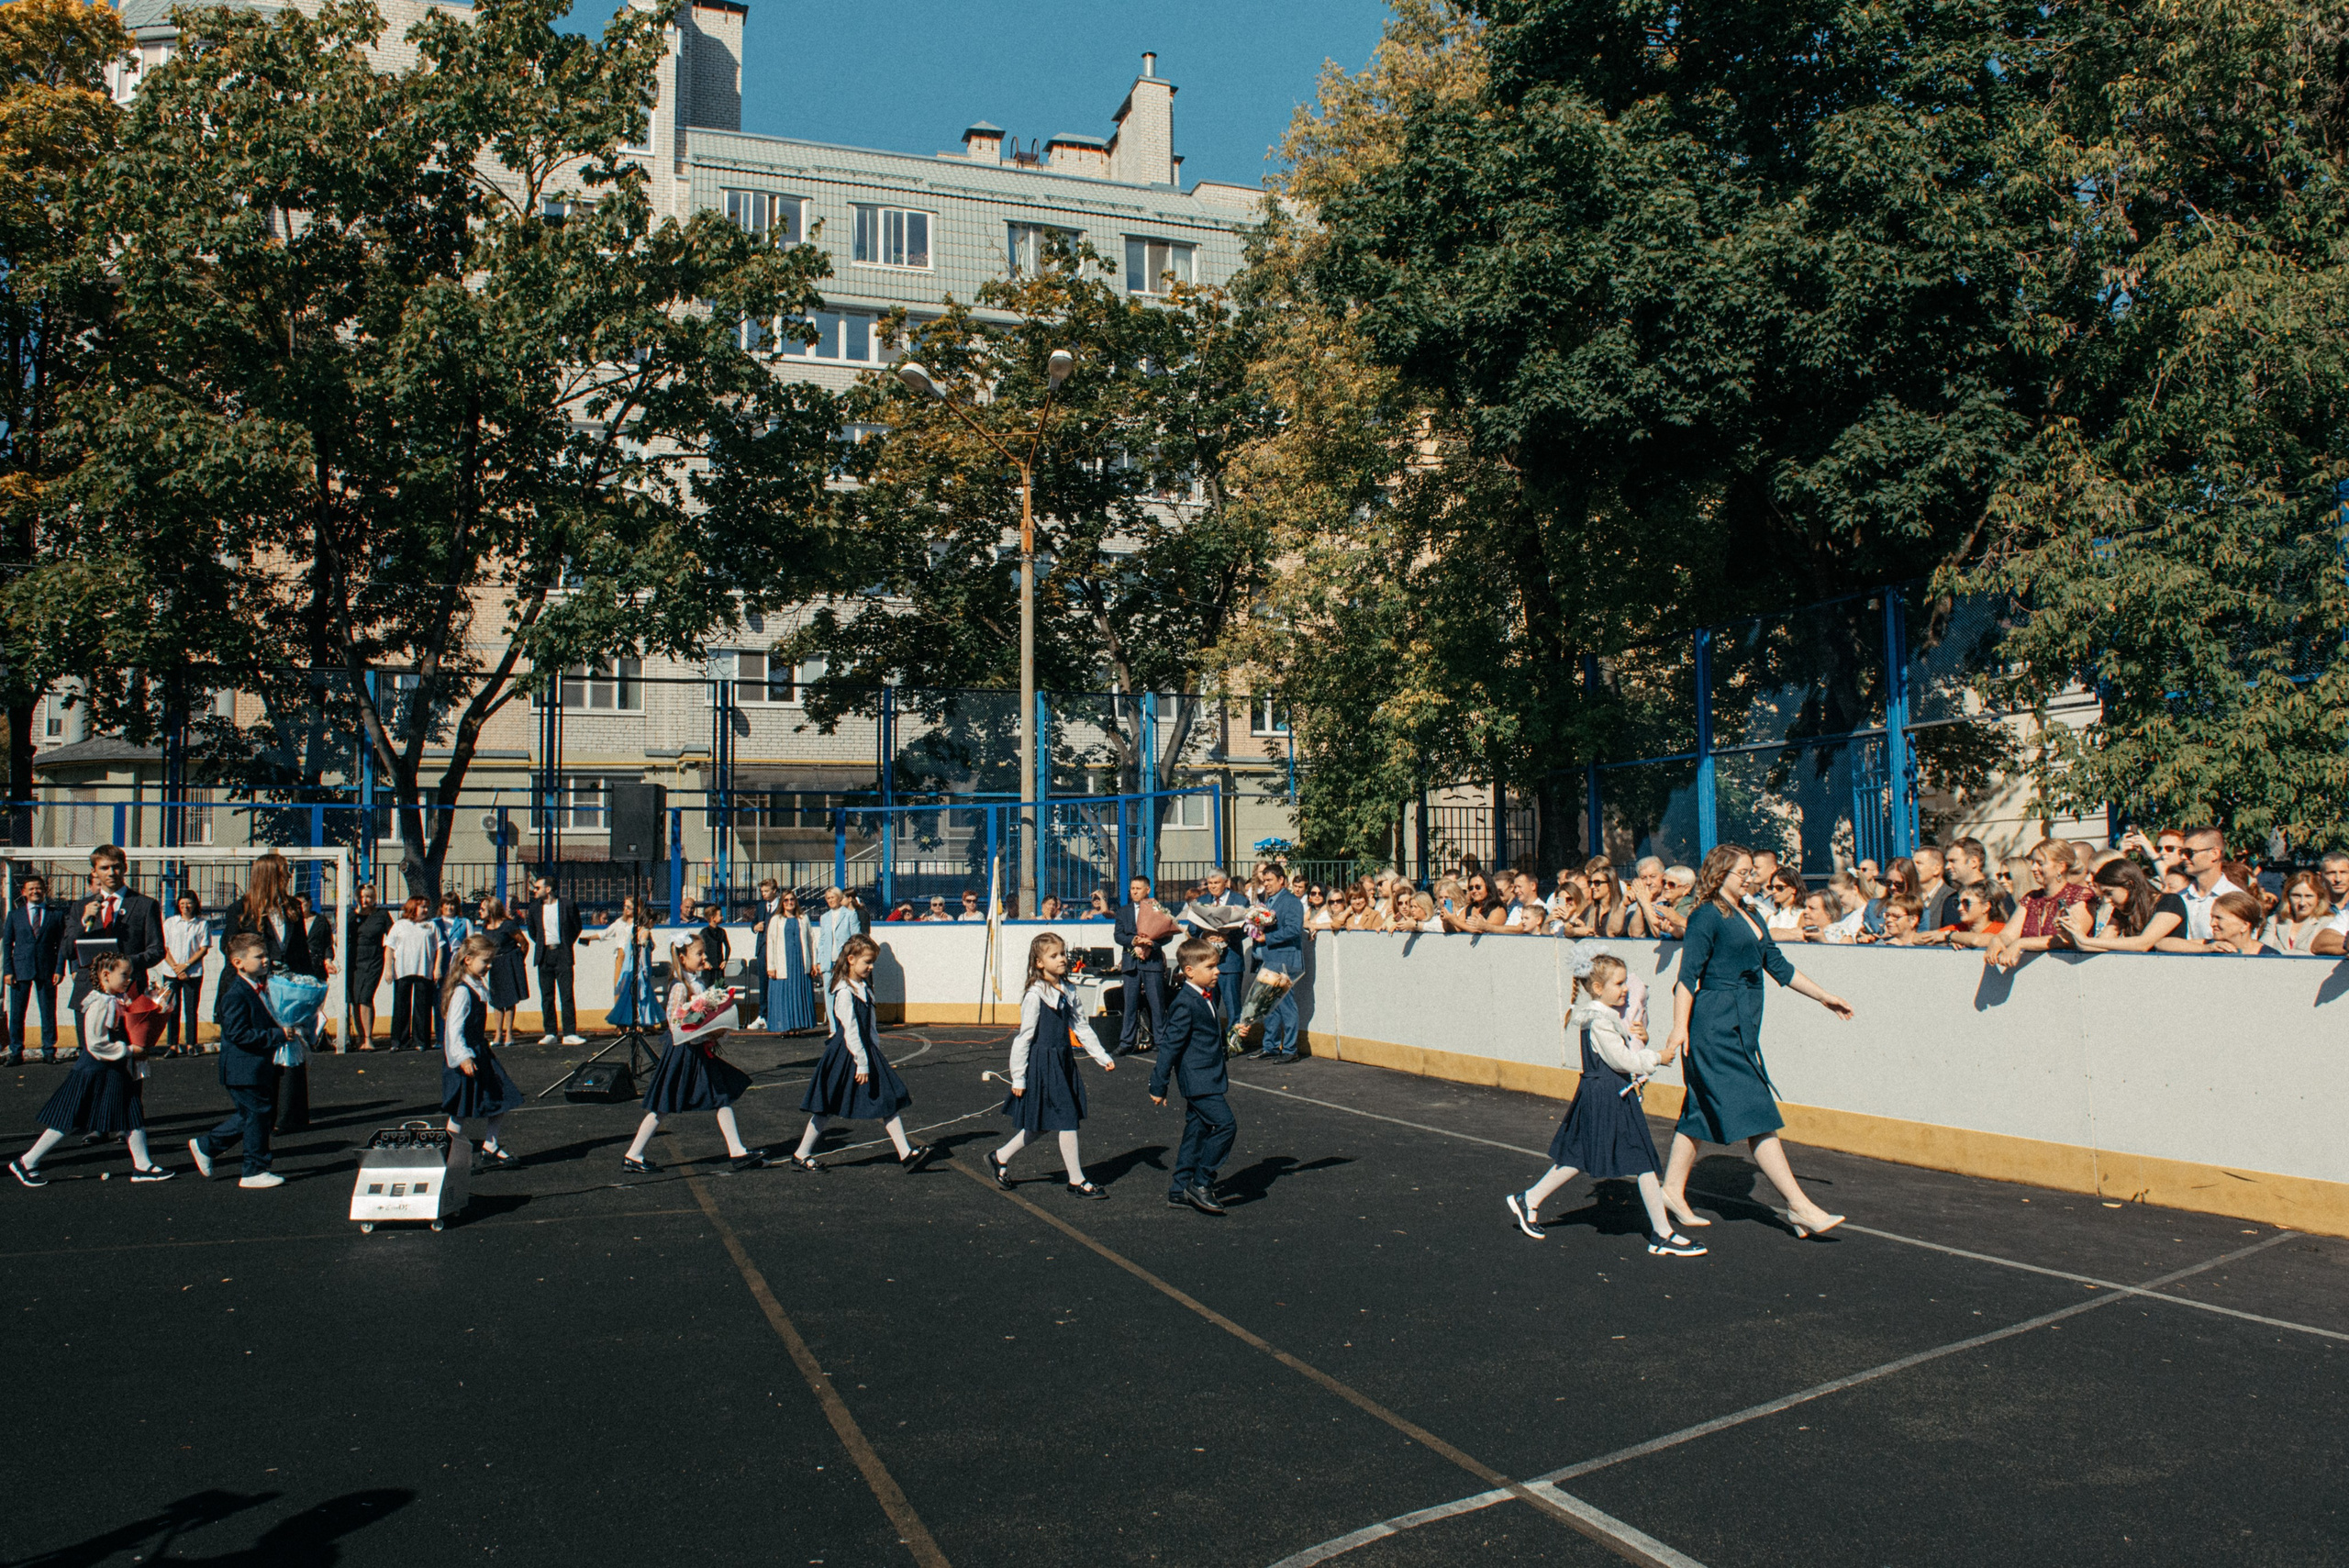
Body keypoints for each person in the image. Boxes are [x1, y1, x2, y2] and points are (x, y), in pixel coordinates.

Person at [1657, 843, 1856, 1240]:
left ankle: (1670, 1192)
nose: (1751, 878)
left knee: (1699, 1110)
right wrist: (1680, 1028)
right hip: (1713, 1027)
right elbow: (1686, 977)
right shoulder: (1705, 916)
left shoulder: (1752, 914)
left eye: (1752, 872)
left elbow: (1777, 965)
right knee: (1757, 1110)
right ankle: (1799, 1207)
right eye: (1743, 872)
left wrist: (1824, 996)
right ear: (1720, 875)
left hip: (1741, 1023)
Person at [1505, 949, 1704, 1257]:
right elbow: (1622, 1060)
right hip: (1611, 1097)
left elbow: (1620, 1054)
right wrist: (1657, 1058)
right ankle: (1662, 1234)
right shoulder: (1600, 1020)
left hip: (1600, 1095)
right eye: (1620, 984)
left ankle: (1528, 1199)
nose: (1626, 989)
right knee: (1643, 1160)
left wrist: (1642, 1039)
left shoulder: (1602, 1018)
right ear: (1598, 988)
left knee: (1580, 1153)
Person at [10, 953, 173, 1185]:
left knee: (130, 1111)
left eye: (130, 975)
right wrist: (129, 1050)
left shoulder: (116, 999)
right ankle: (27, 1161)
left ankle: (143, 1165)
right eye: (124, 975)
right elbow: (96, 1043)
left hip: (112, 1069)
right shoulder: (102, 1003)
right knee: (69, 1118)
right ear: (105, 976)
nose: (128, 979)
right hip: (95, 1070)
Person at [622, 931, 769, 1175]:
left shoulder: (698, 983)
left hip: (696, 1050)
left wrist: (714, 1030)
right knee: (663, 1104)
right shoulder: (680, 986)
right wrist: (703, 1032)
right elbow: (674, 1022)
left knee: (721, 1095)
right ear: (682, 957)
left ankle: (737, 1151)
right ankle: (633, 1154)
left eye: (704, 953)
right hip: (682, 1052)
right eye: (699, 954)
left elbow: (701, 1016)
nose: (704, 958)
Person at [985, 933, 1118, 1196]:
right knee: (1066, 1118)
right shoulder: (1035, 994)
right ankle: (1077, 1180)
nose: (1061, 959)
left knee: (1042, 1123)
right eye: (1054, 955)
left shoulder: (1068, 990)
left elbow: (1081, 1027)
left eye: (1062, 954)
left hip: (1063, 1061)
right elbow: (1024, 1038)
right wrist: (1019, 1078)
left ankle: (999, 1156)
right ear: (1039, 962)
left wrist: (1102, 1056)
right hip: (1043, 1063)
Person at [789, 934, 932, 1173]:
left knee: (886, 1098)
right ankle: (801, 1153)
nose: (871, 966)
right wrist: (863, 1062)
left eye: (872, 961)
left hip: (864, 1051)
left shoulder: (863, 988)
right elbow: (851, 1030)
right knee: (826, 1105)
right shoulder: (845, 992)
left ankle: (905, 1152)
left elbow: (870, 1025)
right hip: (847, 1054)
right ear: (851, 959)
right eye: (867, 961)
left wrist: (874, 1050)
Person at [186, 933, 287, 1188]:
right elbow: (238, 1034)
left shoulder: (259, 988)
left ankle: (206, 1146)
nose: (266, 960)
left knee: (251, 1115)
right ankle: (253, 1170)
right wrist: (279, 1035)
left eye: (266, 955)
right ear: (238, 962)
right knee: (257, 1114)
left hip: (255, 1066)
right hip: (243, 1067)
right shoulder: (236, 994)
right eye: (259, 956)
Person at [228, 855, 315, 1131]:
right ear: (268, 875)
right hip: (258, 989)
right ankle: (263, 1112)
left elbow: (300, 947)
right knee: (265, 1049)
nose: (289, 876)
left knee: (291, 1046)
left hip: (288, 989)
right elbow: (229, 948)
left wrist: (309, 987)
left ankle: (290, 1116)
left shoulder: (291, 907)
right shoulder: (241, 909)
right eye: (284, 872)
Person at [1151, 939, 1236, 1216]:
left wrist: (1235, 1037)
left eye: (1217, 966)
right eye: (1210, 967)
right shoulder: (1185, 1003)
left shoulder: (1206, 995)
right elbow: (1170, 1046)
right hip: (1198, 1080)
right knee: (1225, 1126)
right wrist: (1158, 1084)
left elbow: (1209, 1037)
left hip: (1209, 1076)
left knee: (1196, 1132)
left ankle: (1178, 1189)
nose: (1217, 972)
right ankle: (1201, 1183)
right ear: (1189, 971)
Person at [440, 933, 523, 1169]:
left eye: (490, 961)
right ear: (467, 960)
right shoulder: (463, 991)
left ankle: (491, 1146)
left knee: (501, 1095)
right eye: (485, 961)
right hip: (466, 1055)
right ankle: (450, 1158)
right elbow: (453, 1030)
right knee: (460, 1109)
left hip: (480, 1052)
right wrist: (463, 1057)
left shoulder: (475, 985)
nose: (489, 966)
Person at [71, 845, 167, 1017]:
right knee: (91, 1044)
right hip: (88, 992)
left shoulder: (144, 905)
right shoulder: (80, 907)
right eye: (104, 868)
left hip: (129, 992)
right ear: (94, 872)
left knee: (126, 1044)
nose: (111, 873)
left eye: (116, 867)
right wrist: (83, 922)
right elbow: (67, 950)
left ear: (125, 868)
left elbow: (157, 950)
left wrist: (124, 965)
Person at [1986, 839, 2099, 970]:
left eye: (2040, 863)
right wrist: (1997, 940)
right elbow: (2009, 934)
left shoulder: (2080, 895)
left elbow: (2067, 939)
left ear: (2060, 866)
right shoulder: (2031, 898)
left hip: (2070, 971)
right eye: (2033, 863)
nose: (2033, 868)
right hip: (2033, 973)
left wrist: (2021, 943)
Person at [4, 876, 67, 1065]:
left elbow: (62, 944)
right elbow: (7, 944)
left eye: (38, 888)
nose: (35, 892)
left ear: (44, 890)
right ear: (23, 892)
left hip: (47, 969)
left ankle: (49, 1051)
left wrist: (59, 969)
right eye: (31, 889)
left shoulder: (55, 915)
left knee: (48, 1011)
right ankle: (16, 1051)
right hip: (20, 969)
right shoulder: (15, 915)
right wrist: (8, 970)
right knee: (17, 1013)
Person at [1246, 862, 1307, 1061]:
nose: (1267, 884)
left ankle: (1290, 1049)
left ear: (1282, 880)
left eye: (1270, 880)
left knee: (1286, 1004)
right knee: (1269, 1004)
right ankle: (1270, 1045)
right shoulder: (1268, 900)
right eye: (1264, 881)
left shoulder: (1291, 902)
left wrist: (1267, 938)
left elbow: (1293, 929)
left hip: (1285, 960)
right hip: (1269, 959)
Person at [1182, 867, 1252, 1023]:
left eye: (1216, 883)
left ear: (1226, 883)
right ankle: (1213, 1040)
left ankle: (1234, 1042)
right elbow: (1193, 928)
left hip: (1230, 961)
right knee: (1208, 1004)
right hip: (1207, 961)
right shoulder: (1202, 901)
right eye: (1210, 883)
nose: (1212, 886)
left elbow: (1247, 929)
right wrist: (1204, 935)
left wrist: (1227, 935)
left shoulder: (1240, 901)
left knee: (1233, 1005)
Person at [1113, 874, 1173, 1058]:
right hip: (1131, 964)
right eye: (1132, 889)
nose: (1134, 892)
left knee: (1156, 1004)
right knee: (1130, 1004)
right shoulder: (1123, 911)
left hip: (1152, 963)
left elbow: (1167, 934)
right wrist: (1134, 941)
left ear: (1148, 890)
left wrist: (1151, 944)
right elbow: (1118, 935)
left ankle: (1161, 1041)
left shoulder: (1158, 909)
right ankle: (1126, 1042)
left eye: (1138, 888)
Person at [522, 875, 584, 1045]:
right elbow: (533, 932)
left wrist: (564, 943)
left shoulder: (567, 905)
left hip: (562, 953)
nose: (534, 891)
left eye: (537, 888)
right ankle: (550, 1032)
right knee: (547, 996)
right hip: (544, 955)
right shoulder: (534, 908)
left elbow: (576, 927)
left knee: (566, 994)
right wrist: (544, 944)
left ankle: (570, 1032)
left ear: (548, 889)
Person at [160, 892, 212, 1057]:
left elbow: (203, 948)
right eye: (182, 904)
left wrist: (186, 966)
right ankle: (173, 1045)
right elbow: (164, 948)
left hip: (193, 973)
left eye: (189, 903)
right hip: (171, 972)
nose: (185, 907)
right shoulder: (170, 923)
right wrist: (176, 968)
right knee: (172, 1009)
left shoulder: (202, 924)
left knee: (191, 1009)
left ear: (195, 904)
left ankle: (191, 1044)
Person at [2171, 826, 2244, 940]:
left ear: (2214, 854)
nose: (2182, 857)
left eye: (2189, 852)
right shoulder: (2180, 897)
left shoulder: (2237, 898)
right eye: (2181, 852)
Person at [384, 897, 439, 1051]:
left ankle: (421, 1041)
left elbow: (439, 947)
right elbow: (389, 948)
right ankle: (398, 1041)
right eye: (422, 907)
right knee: (401, 1006)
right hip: (402, 971)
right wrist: (389, 970)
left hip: (424, 971)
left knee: (422, 1007)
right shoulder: (399, 925)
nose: (426, 910)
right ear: (413, 907)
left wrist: (436, 969)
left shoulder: (431, 925)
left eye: (427, 907)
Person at [763, 890, 819, 1033]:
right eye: (786, 900)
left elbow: (811, 941)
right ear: (782, 903)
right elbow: (771, 943)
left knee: (799, 994)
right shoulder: (776, 920)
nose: (789, 903)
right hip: (783, 963)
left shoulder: (803, 918)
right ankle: (784, 1027)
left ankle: (797, 1026)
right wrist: (771, 966)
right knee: (783, 996)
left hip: (800, 963)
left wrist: (814, 962)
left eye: (792, 900)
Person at [346, 883, 393, 1050]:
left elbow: (392, 938)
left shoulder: (381, 915)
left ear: (374, 898)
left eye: (369, 897)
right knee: (354, 999)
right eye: (362, 896)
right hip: (353, 961)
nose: (365, 900)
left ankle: (368, 1038)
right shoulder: (350, 916)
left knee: (365, 997)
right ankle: (360, 1038)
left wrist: (390, 965)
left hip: (373, 960)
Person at [478, 896, 529, 1046]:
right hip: (494, 964)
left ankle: (509, 1033)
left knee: (509, 999)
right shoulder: (485, 927)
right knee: (496, 1000)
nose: (480, 912)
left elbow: (523, 943)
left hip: (508, 962)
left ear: (492, 910)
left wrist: (518, 960)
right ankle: (498, 1033)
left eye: (482, 909)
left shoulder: (508, 925)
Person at [607, 895, 658, 1031]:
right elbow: (643, 952)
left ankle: (638, 1023)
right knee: (641, 996)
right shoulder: (644, 932)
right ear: (651, 921)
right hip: (639, 967)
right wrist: (645, 968)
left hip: (632, 966)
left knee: (635, 996)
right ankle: (639, 1022)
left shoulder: (636, 930)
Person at [295, 893, 337, 1050]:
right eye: (296, 904)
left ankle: (314, 1039)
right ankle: (301, 1039)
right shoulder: (293, 921)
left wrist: (328, 961)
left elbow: (327, 944)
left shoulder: (320, 921)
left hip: (316, 969)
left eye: (302, 903)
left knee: (316, 1008)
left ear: (309, 903)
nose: (300, 907)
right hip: (298, 970)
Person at [814, 886, 860, 1024]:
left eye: (832, 897)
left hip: (844, 961)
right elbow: (822, 940)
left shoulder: (850, 915)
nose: (830, 900)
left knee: (845, 993)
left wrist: (852, 958)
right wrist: (819, 960)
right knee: (829, 994)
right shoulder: (824, 917)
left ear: (839, 898)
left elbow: (856, 938)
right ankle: (833, 1028)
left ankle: (846, 1024)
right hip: (828, 961)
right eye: (828, 898)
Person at [2262, 871, 2332, 954]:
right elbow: (2263, 953)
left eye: (2308, 896)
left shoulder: (2327, 923)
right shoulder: (2274, 921)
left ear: (2319, 898)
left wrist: (2280, 954)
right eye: (2296, 896)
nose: (2302, 903)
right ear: (2287, 897)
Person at [746, 877, 781, 1026]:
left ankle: (776, 1014)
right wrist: (755, 927)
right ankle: (762, 1015)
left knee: (778, 983)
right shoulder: (761, 906)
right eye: (762, 892)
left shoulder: (782, 905)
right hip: (762, 949)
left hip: (777, 950)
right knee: (763, 984)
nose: (763, 894)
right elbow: (754, 922)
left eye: (766, 891)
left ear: (774, 891)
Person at [1912, 847, 1959, 930]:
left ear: (1936, 869)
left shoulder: (1951, 898)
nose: (1913, 868)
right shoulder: (1911, 896)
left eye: (1919, 863)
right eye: (1913, 863)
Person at [1762, 873, 1806, 939]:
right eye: (1771, 887)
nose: (1774, 891)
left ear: (1794, 889)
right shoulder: (1770, 918)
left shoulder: (1803, 915)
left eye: (1779, 888)